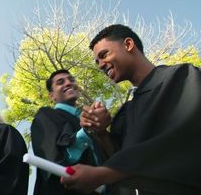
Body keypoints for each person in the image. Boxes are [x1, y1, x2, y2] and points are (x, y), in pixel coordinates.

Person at [61, 24, 201, 194]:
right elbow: (120, 157)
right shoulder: (125, 113)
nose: (100, 65)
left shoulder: (182, 76)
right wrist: (101, 131)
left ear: (128, 45)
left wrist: (104, 174)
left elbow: (186, 137)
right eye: (96, 62)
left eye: (104, 55)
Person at [30, 70, 109, 195]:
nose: (68, 83)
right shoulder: (45, 116)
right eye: (60, 82)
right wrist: (87, 131)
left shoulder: (89, 121)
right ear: (52, 96)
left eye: (71, 80)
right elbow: (55, 158)